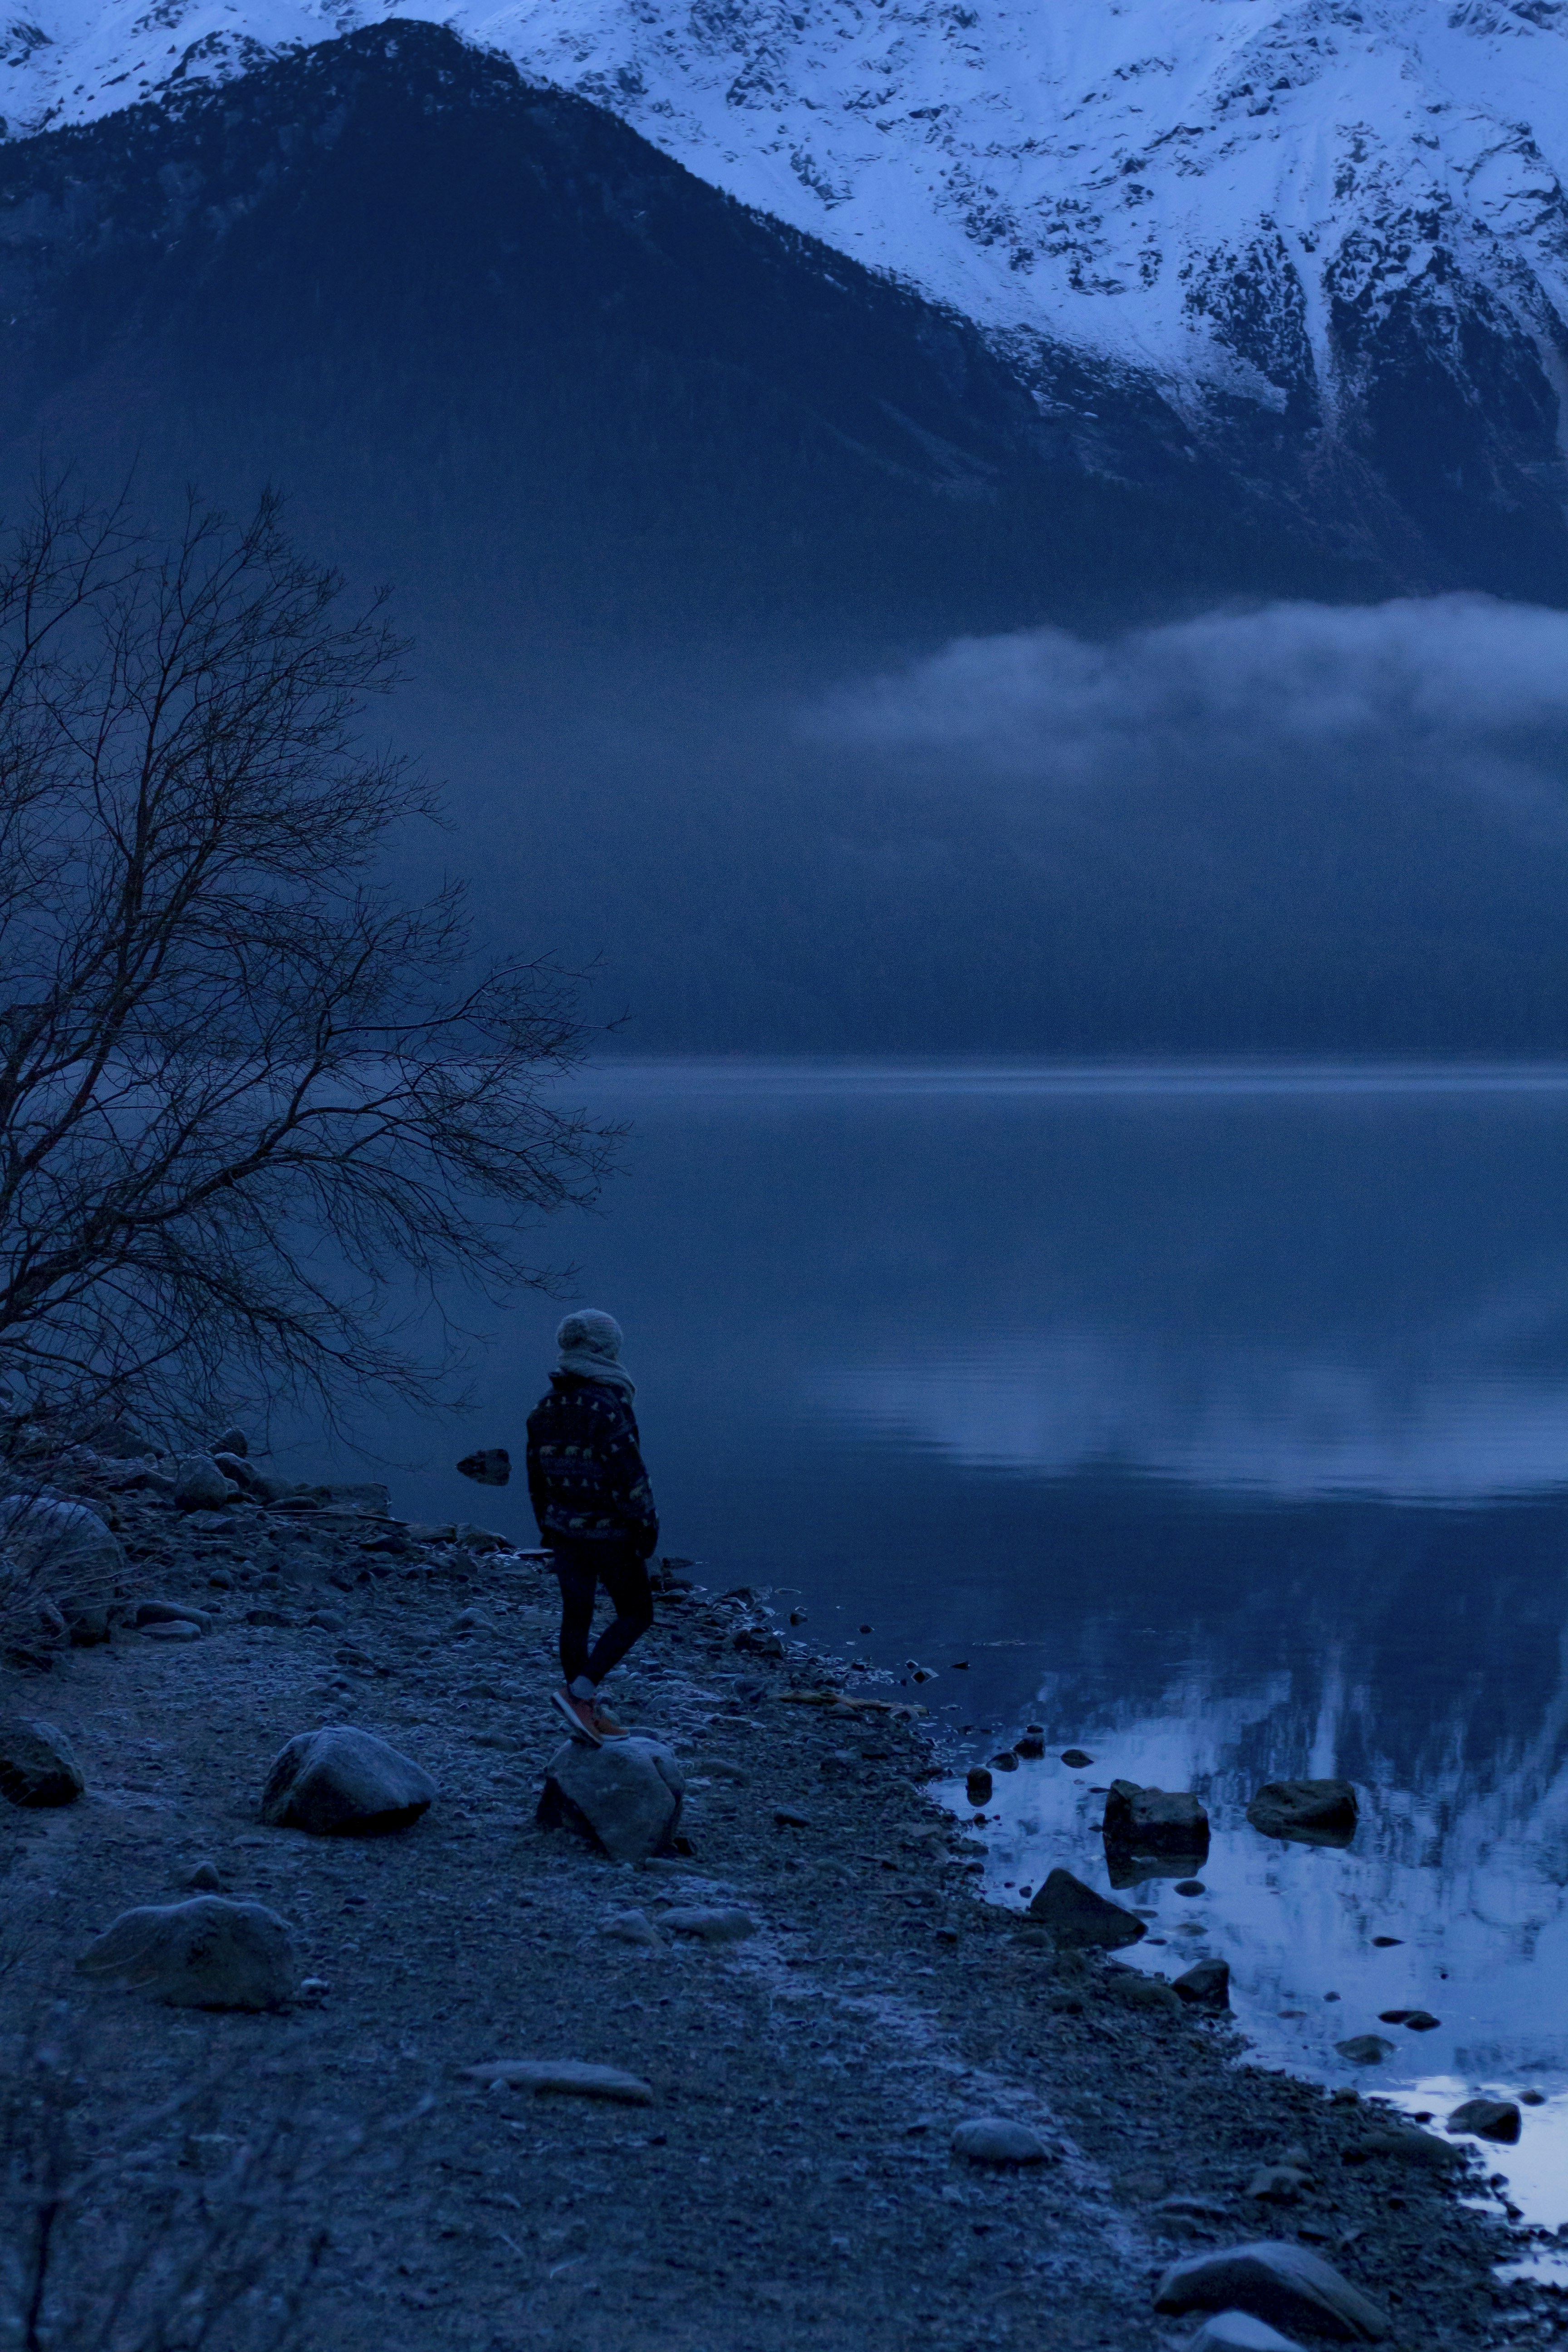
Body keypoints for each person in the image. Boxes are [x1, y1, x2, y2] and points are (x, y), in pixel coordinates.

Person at [526, 1308, 658, 1743]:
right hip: (610, 1533)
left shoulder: (544, 1406)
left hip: (564, 1531)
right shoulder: (608, 1404)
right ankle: (579, 1692)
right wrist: (646, 1526)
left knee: (576, 1617)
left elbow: (536, 1478)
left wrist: (547, 1525)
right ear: (605, 1350)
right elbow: (629, 1476)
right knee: (638, 1613)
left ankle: (582, 1710)